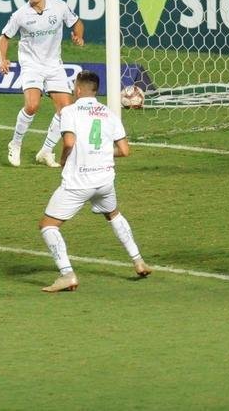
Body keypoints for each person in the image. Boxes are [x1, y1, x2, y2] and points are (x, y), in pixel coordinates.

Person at [37, 70, 150, 292]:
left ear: (78, 89)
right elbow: (125, 151)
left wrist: (62, 159)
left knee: (48, 226)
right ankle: (138, 261)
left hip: (79, 182)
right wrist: (101, 153)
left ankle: (67, 275)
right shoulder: (109, 113)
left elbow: (69, 142)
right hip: (105, 181)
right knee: (113, 214)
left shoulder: (69, 111)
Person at [0, 0, 85, 168]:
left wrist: (78, 35)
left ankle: (46, 151)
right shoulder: (20, 15)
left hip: (54, 64)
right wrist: (3, 59)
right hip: (31, 65)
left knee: (66, 110)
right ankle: (16, 143)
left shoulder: (59, 7)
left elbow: (77, 23)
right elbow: (4, 38)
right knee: (32, 106)